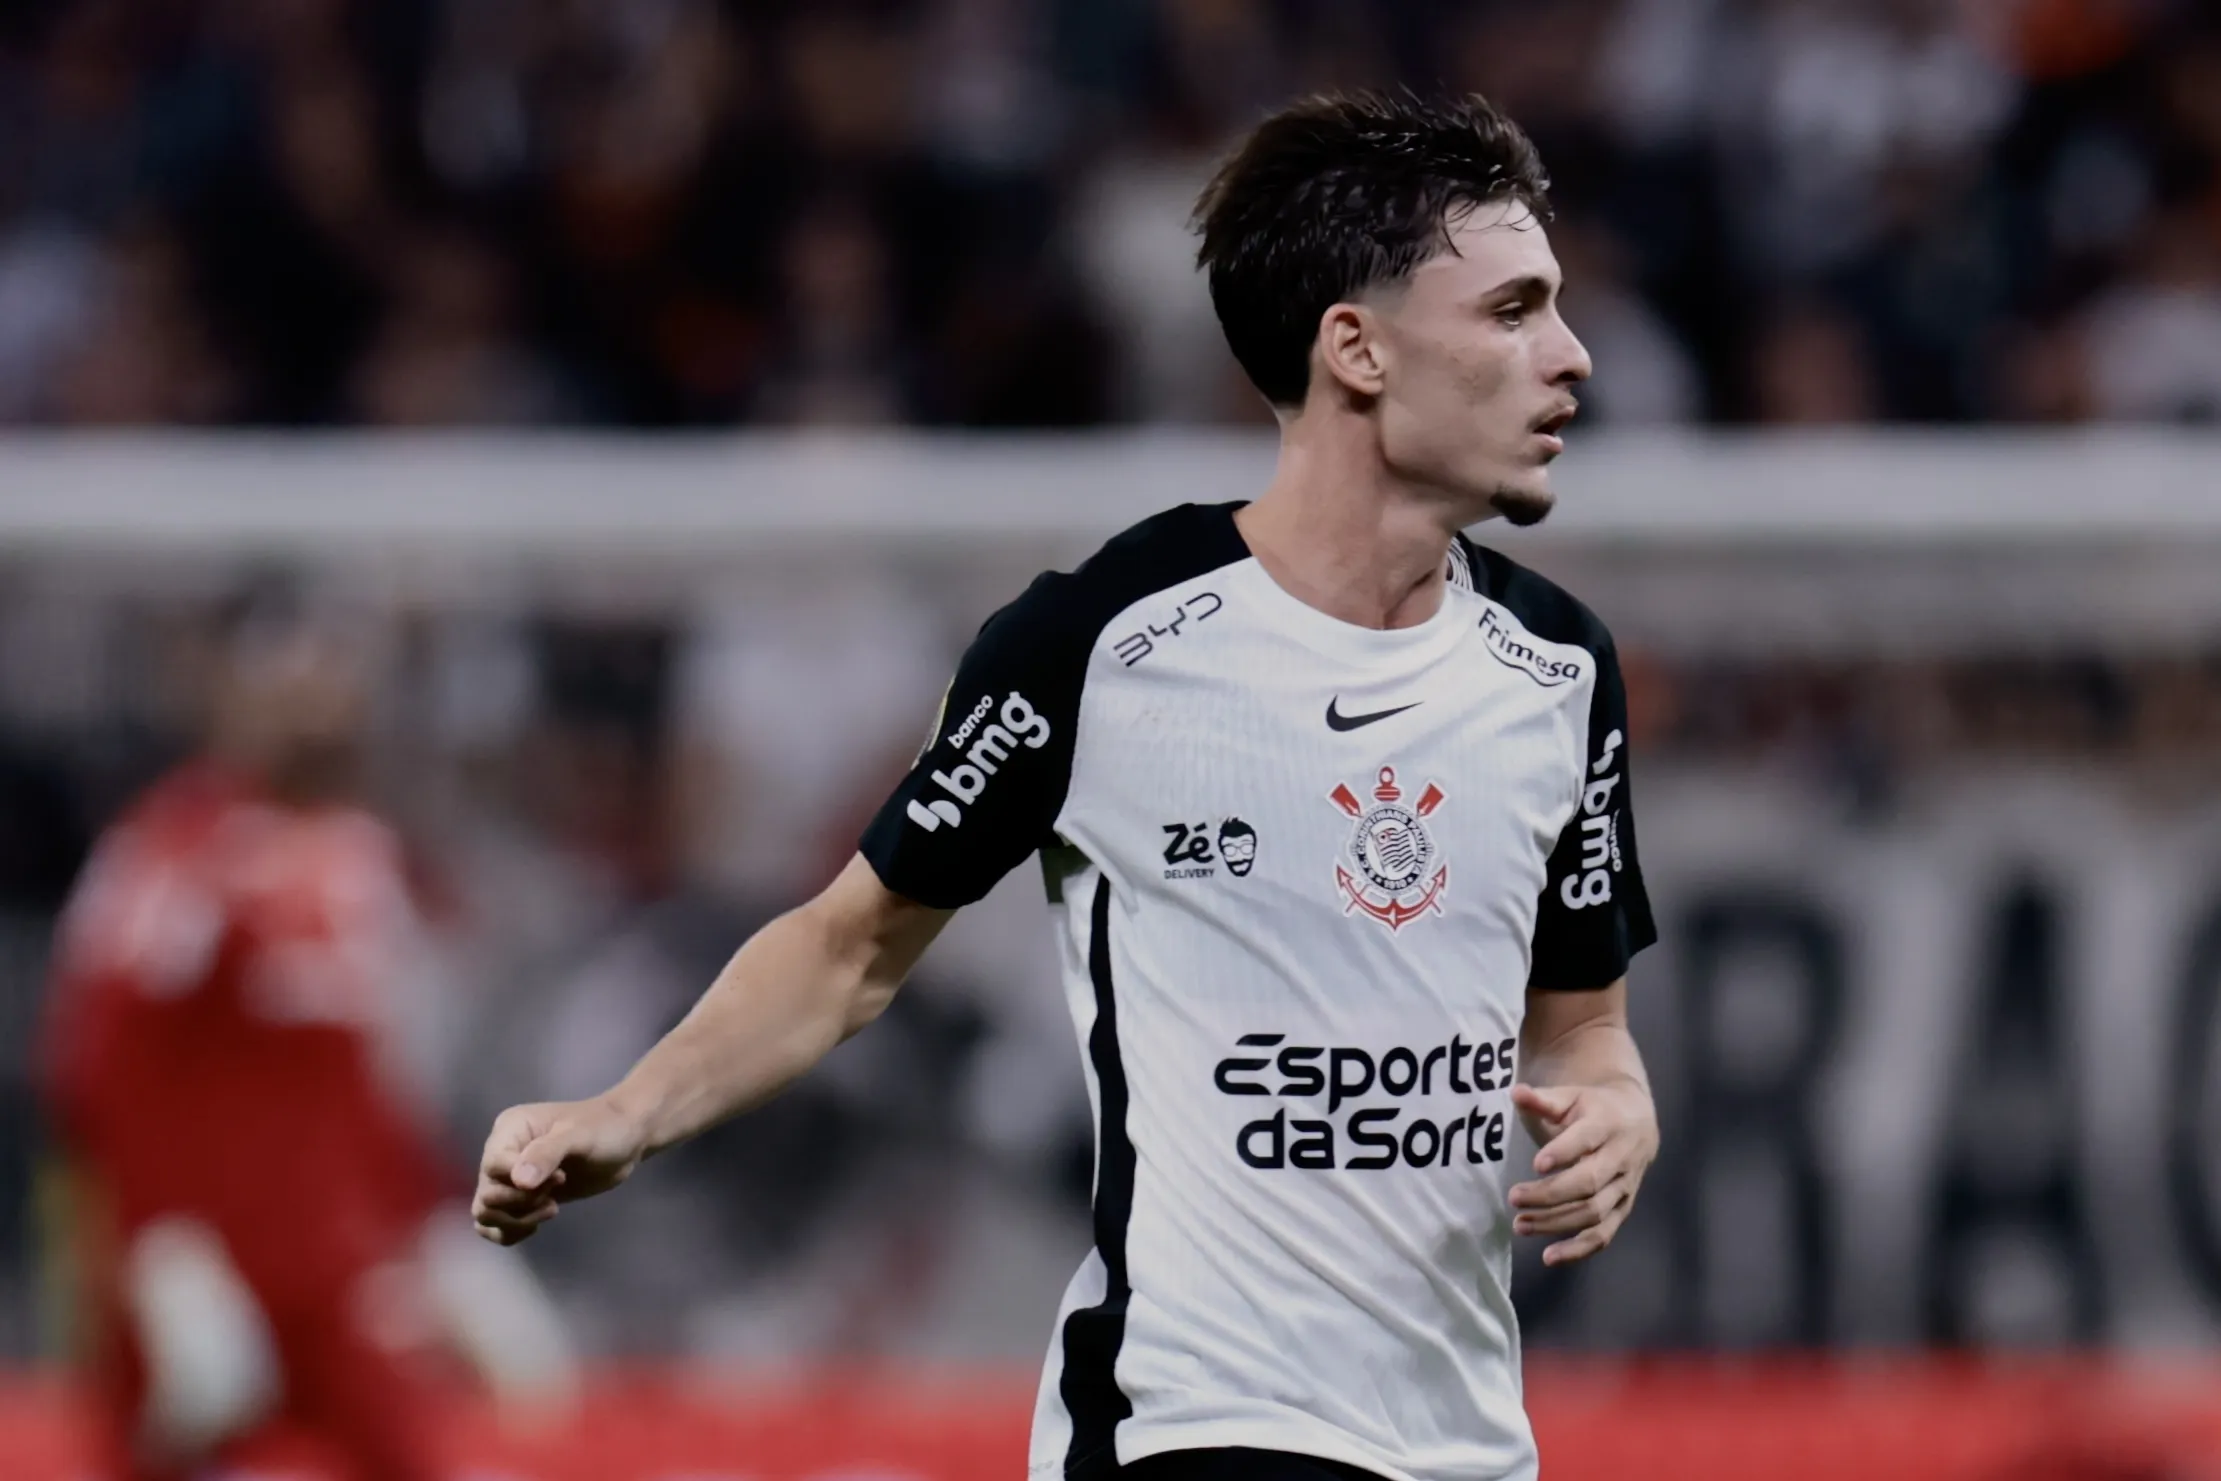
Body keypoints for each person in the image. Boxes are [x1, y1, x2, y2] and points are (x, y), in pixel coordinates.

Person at [475, 91, 1659, 1481]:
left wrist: (1615, 1104)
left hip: (1463, 1442)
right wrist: (626, 1112)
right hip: (1191, 1425)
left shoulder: (1556, 671)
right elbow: (850, 948)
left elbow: (1580, 1026)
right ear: (1358, 349)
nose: (1571, 356)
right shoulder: (1105, 643)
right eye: (1514, 311)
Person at [43, 603, 572, 1481]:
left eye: (335, 694)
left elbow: (370, 1081)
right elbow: (99, 1064)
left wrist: (435, 1224)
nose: (321, 720)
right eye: (294, 695)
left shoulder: (360, 858)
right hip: (206, 1258)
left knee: (414, 1456)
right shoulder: (171, 852)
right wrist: (157, 1241)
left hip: (337, 1263)